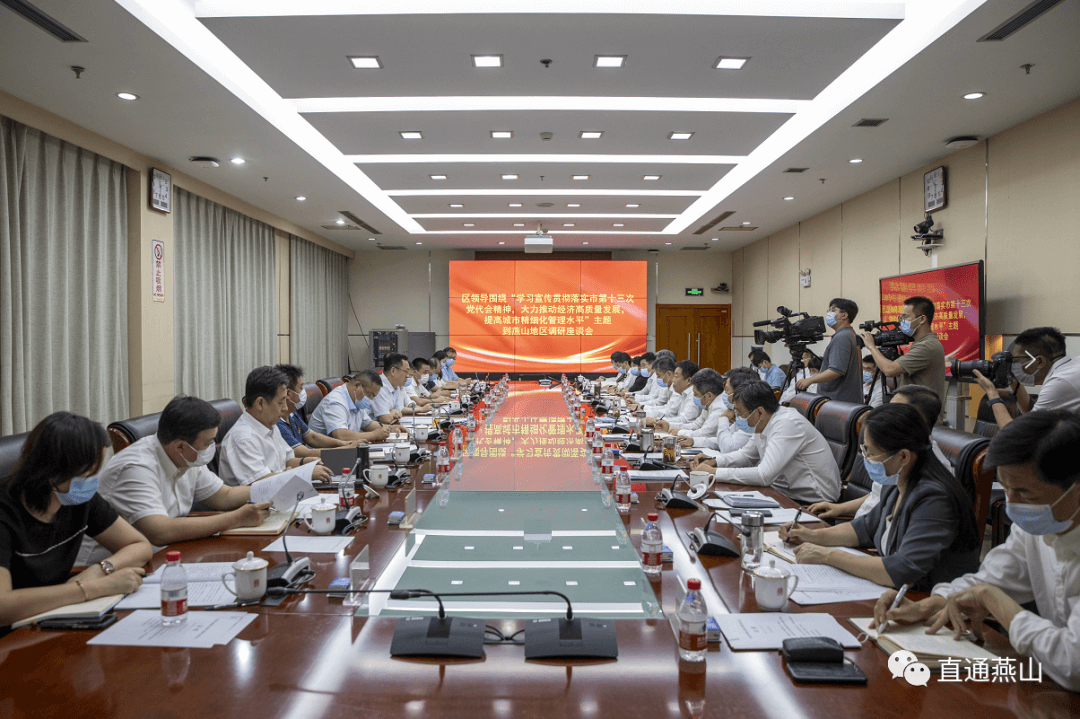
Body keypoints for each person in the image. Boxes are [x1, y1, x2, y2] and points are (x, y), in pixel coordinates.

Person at [871, 411, 1080, 691]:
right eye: (1005, 490)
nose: (1011, 505)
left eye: (1025, 493)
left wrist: (990, 598)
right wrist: (938, 602)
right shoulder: (1037, 528)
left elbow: (1073, 664)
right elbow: (990, 579)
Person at [781, 402, 981, 590]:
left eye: (871, 453)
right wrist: (813, 536)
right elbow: (866, 528)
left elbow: (902, 570)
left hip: (927, 602)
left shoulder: (935, 499)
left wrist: (827, 556)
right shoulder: (897, 481)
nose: (866, 459)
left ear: (903, 456)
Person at [77, 396, 273, 564]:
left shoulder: (187, 456)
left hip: (163, 557)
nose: (212, 446)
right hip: (107, 567)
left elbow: (224, 495)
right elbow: (161, 531)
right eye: (208, 442)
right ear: (180, 446)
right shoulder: (136, 467)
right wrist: (236, 518)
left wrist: (273, 486)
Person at [1, 413, 152, 630]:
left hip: (53, 617)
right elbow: (3, 607)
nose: (91, 482)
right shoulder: (6, 511)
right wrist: (94, 588)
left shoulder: (79, 497)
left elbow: (139, 546)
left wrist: (101, 570)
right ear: (51, 471)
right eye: (86, 474)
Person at [807, 385, 951, 521]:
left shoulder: (929, 469)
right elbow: (878, 495)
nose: (887, 413)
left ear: (916, 419)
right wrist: (840, 508)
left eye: (896, 410)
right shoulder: (892, 448)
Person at [692, 381, 840, 504]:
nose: (736, 418)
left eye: (739, 413)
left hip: (812, 502)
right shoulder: (764, 421)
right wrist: (714, 462)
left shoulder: (786, 424)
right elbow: (747, 456)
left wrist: (714, 473)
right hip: (782, 492)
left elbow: (764, 475)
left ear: (759, 412)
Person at [219, 366, 331, 487]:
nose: (285, 408)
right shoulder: (243, 438)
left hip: (280, 494)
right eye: (281, 402)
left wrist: (304, 462)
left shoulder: (270, 426)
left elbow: (286, 461)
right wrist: (304, 473)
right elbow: (259, 484)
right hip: (255, 503)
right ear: (260, 403)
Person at [858, 295, 946, 423]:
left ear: (922, 319)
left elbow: (889, 370)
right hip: (912, 415)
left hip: (921, 418)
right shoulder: (920, 343)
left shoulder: (927, 346)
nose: (901, 321)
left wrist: (871, 346)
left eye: (905, 317)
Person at [975, 326, 1080, 428]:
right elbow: (1031, 417)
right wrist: (1012, 380)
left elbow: (1016, 433)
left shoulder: (1059, 382)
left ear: (1039, 361)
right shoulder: (1072, 367)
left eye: (1017, 360)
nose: (1015, 366)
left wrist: (992, 392)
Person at [274, 364, 357, 460]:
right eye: (301, 388)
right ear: (288, 393)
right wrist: (345, 449)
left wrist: (344, 444)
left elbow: (312, 437)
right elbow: (303, 453)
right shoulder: (277, 422)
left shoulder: (292, 413)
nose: (303, 392)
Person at [796, 298, 863, 403]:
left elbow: (836, 370)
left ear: (844, 315)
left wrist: (809, 380)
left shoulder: (843, 336)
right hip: (841, 402)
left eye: (833, 310)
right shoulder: (848, 334)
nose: (829, 313)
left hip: (839, 403)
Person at [307, 372, 392, 444]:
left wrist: (389, 429)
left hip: (344, 450)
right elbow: (340, 435)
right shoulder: (335, 402)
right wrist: (374, 435)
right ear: (357, 385)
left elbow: (367, 424)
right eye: (370, 395)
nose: (371, 400)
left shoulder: (356, 399)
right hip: (322, 456)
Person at [693, 367, 759, 459]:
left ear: (739, 392)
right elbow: (724, 440)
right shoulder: (738, 413)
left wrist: (723, 417)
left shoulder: (752, 416)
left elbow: (727, 448)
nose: (724, 394)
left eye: (727, 390)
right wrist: (693, 441)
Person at [672, 368, 726, 449]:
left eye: (696, 394)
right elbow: (696, 425)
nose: (694, 397)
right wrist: (674, 428)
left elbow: (703, 433)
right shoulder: (709, 403)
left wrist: (680, 432)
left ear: (709, 395)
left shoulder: (720, 407)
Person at [371, 353, 426, 423]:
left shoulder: (396, 386)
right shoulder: (379, 386)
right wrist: (393, 413)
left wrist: (392, 412)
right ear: (393, 371)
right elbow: (386, 419)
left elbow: (400, 410)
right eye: (406, 372)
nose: (408, 376)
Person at [648, 360, 701, 430]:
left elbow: (685, 420)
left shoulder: (694, 395)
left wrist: (660, 421)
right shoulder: (682, 392)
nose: (673, 380)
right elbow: (668, 409)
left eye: (676, 377)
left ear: (688, 381)